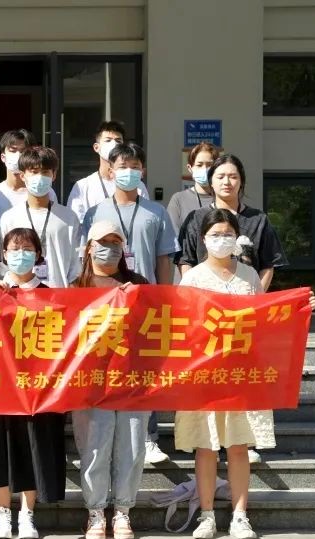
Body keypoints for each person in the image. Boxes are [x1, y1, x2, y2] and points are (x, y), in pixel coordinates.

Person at [177, 208, 315, 539]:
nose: (221, 240)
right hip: (206, 375)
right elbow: (181, 325)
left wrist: (299, 308)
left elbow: (264, 319)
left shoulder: (249, 276)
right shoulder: (192, 278)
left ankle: (240, 515)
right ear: (203, 239)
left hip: (242, 373)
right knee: (206, 447)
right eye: (215, 234)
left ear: (237, 237)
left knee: (238, 446)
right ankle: (207, 515)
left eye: (228, 233)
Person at [0, 227, 66, 539]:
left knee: (32, 449)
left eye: (27, 248)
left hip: (35, 390)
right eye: (14, 249)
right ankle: (3, 513)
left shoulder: (51, 294)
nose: (21, 254)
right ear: (3, 255)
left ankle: (27, 514)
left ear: (38, 254)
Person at [81, 143, 177, 464]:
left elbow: (164, 259)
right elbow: (86, 257)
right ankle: (99, 436)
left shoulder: (156, 213)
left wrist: (164, 298)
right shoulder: (95, 212)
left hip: (143, 302)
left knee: (143, 367)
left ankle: (149, 437)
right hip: (104, 304)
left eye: (135, 166)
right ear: (110, 171)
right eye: (123, 167)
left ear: (143, 171)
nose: (129, 172)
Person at [71, 221, 149, 539]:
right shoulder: (76, 287)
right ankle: (95, 511)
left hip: (133, 381)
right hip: (92, 384)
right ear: (90, 247)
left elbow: (159, 325)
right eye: (104, 242)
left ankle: (123, 510)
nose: (110, 248)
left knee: (132, 448)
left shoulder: (138, 283)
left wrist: (138, 300)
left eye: (116, 243)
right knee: (94, 449)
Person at [176, 153, 287, 292]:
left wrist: (256, 298)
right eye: (220, 177)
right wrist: (194, 293)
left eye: (233, 177)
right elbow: (185, 260)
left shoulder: (258, 220)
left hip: (246, 298)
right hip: (205, 299)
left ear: (241, 182)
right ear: (211, 182)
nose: (227, 182)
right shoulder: (196, 218)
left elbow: (268, 265)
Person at [0, 146, 81, 288]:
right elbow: (3, 265)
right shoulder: (9, 217)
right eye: (34, 172)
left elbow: (75, 266)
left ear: (54, 175)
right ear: (22, 175)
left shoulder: (68, 217)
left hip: (58, 295)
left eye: (45, 172)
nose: (39, 177)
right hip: (20, 295)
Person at [67, 120, 150, 223]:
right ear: (96, 147)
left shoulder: (137, 184)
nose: (114, 144)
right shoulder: (83, 186)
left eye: (118, 141)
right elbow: (76, 225)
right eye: (108, 140)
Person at [0, 129, 59, 234]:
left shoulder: (46, 192)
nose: (18, 155)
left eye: (23, 151)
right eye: (13, 150)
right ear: (3, 157)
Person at [166, 142, 218, 234]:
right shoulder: (179, 199)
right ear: (190, 168)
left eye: (209, 165)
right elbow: (172, 235)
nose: (205, 169)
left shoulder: (224, 198)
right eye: (199, 165)